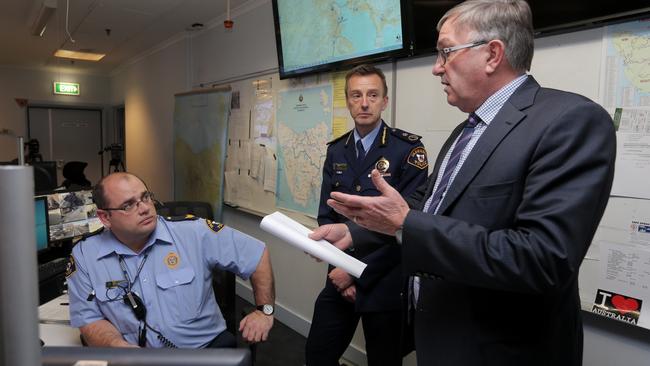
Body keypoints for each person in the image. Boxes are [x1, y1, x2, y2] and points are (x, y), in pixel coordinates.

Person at [309, 1, 617, 365]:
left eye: (445, 52)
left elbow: (542, 259)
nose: (437, 68)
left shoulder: (569, 121)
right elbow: (428, 204)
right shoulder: (466, 130)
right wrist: (355, 233)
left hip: (497, 351)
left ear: (492, 54)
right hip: (440, 337)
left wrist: (405, 223)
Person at [306, 64, 429, 366]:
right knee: (317, 357)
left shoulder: (407, 150)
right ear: (347, 101)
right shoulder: (336, 151)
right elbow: (327, 215)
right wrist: (343, 271)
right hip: (338, 279)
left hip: (385, 284)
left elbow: (408, 222)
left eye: (373, 95)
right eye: (356, 95)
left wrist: (355, 271)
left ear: (384, 101)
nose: (364, 103)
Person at [66, 172, 275, 348]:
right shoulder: (85, 255)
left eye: (145, 197)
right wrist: (120, 349)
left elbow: (256, 254)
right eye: (128, 205)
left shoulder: (194, 233)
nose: (145, 208)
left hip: (206, 351)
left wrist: (264, 311)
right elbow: (89, 319)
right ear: (105, 218)